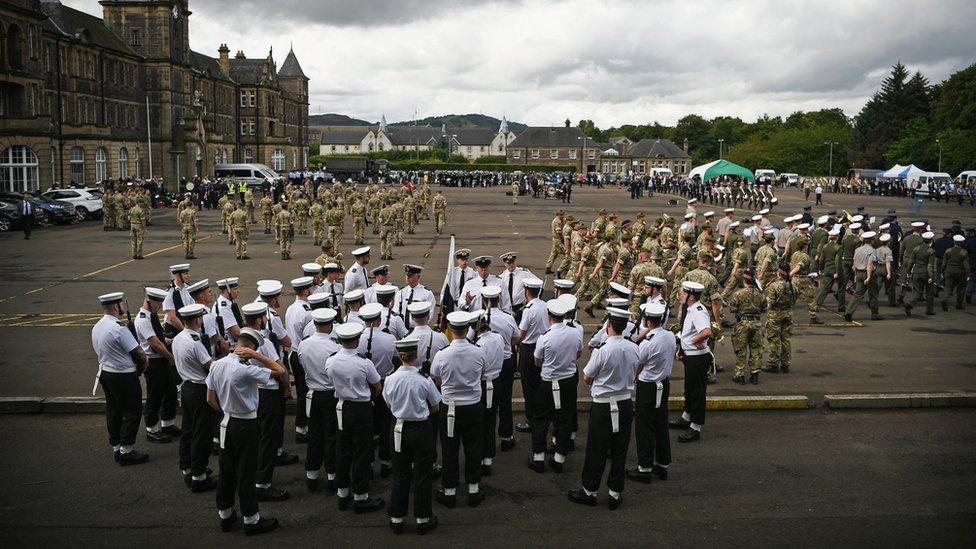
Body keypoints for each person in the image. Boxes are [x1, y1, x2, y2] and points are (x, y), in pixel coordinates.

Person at [206, 327, 285, 535]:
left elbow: (210, 399)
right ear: (250, 347)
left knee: (227, 469)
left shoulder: (217, 364)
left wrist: (227, 411)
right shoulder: (245, 368)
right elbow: (280, 371)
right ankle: (251, 519)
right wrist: (257, 356)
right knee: (246, 472)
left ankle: (225, 514)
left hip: (226, 421)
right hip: (246, 424)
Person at [567, 307, 638, 510]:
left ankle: (590, 491)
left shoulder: (603, 350)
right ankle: (615, 493)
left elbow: (587, 377)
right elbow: (636, 370)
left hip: (603, 405)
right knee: (620, 448)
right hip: (625, 402)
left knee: (597, 449)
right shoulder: (634, 347)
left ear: (608, 326)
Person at [384, 337, 442, 536]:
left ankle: (397, 519)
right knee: (422, 475)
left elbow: (389, 405)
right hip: (421, 428)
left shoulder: (390, 379)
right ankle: (423, 518)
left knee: (400, 474)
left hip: (399, 427)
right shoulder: (423, 379)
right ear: (416, 355)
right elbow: (435, 406)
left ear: (399, 357)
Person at [327, 322, 385, 513]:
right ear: (357, 340)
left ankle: (342, 493)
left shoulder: (331, 360)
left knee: (343, 450)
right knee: (361, 451)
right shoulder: (364, 362)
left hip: (342, 406)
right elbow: (377, 386)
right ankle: (361, 495)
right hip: (361, 408)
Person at [431, 311, 487, 509]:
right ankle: (473, 489)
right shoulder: (479, 351)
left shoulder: (442, 354)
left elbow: (436, 378)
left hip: (450, 408)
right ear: (467, 329)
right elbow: (483, 374)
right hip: (473, 405)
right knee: (473, 448)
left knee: (449, 449)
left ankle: (450, 491)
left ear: (450, 328)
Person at [240, 300, 293, 503]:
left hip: (255, 391)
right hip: (269, 391)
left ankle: (257, 476)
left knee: (261, 436)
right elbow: (280, 369)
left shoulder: (243, 338)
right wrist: (287, 387)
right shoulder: (264, 342)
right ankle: (263, 483)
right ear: (261, 319)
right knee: (269, 439)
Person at [92, 291, 150, 465]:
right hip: (123, 376)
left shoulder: (98, 325)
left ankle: (117, 446)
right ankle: (127, 450)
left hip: (105, 373)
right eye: (121, 304)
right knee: (132, 412)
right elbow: (140, 353)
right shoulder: (118, 328)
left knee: (114, 410)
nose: (123, 307)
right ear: (116, 307)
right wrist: (143, 367)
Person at [528, 298, 581, 474]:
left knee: (541, 420)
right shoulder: (575, 333)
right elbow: (579, 353)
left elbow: (537, 361)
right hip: (567, 380)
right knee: (565, 419)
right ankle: (559, 459)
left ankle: (539, 458)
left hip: (548, 381)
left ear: (549, 316)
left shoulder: (545, 337)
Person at [626, 302, 674, 483]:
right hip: (663, 383)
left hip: (648, 387)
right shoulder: (669, 336)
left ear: (646, 320)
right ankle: (662, 464)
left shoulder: (647, 342)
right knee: (661, 423)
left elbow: (638, 364)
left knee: (644, 426)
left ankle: (644, 467)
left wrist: (632, 378)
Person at [172, 303, 218, 491]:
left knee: (189, 430)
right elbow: (211, 366)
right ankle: (199, 475)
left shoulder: (178, 338)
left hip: (187, 387)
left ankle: (188, 468)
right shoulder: (195, 343)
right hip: (199, 389)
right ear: (197, 319)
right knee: (202, 434)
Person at [299, 308, 341, 492]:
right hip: (330, 394)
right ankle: (332, 475)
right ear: (330, 325)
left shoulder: (303, 344)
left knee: (315, 435)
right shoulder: (335, 347)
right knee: (331, 436)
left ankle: (312, 475)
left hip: (313, 394)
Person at [357, 303, 398, 476]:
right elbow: (396, 359)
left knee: (366, 427)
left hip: (364, 386)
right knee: (385, 424)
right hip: (384, 383)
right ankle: (386, 461)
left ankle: (368, 463)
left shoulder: (356, 339)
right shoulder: (390, 339)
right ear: (379, 320)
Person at [669, 281, 712, 443]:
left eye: (683, 293)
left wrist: (692, 341)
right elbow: (687, 332)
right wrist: (683, 348)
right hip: (690, 356)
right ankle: (686, 418)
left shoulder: (698, 311)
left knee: (697, 393)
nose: (681, 294)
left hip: (698, 358)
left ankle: (695, 427)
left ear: (691, 296)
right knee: (689, 390)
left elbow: (706, 331)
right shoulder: (691, 308)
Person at [134, 287, 178, 443]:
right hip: (154, 362)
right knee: (155, 396)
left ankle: (167, 424)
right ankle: (152, 430)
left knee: (170, 391)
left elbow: (161, 338)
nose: (159, 306)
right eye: (157, 303)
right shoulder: (143, 319)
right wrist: (171, 357)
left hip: (162, 360)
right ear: (148, 301)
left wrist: (170, 341)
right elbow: (155, 344)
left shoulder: (151, 316)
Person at [472, 307, 504, 475]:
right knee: (490, 422)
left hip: (483, 385)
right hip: (496, 381)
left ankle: (480, 457)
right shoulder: (498, 337)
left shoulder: (478, 345)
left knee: (480, 423)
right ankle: (488, 459)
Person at [285, 277, 315, 444]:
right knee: (306, 392)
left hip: (294, 352)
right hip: (303, 353)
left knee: (302, 391)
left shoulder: (291, 307)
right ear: (306, 291)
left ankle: (301, 425)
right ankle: (303, 426)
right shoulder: (307, 311)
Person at [515, 278, 546, 433]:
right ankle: (542, 416)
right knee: (540, 384)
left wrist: (515, 342)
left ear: (526, 291)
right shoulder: (545, 306)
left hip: (529, 349)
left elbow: (521, 334)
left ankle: (531, 419)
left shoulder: (529, 309)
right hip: (544, 347)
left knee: (529, 387)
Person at [763, 263, 796, 374]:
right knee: (786, 339)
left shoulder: (774, 286)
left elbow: (769, 302)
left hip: (775, 315)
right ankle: (785, 364)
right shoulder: (792, 285)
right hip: (788, 313)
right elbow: (794, 299)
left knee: (774, 339)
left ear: (779, 272)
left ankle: (773, 363)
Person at [845, 231, 881, 321]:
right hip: (868, 273)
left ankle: (848, 312)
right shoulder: (872, 250)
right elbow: (870, 264)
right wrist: (869, 277)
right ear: (872, 241)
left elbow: (854, 264)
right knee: (873, 294)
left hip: (859, 273)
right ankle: (874, 314)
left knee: (857, 294)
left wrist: (856, 275)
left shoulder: (858, 250)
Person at [394, 265, 435, 332]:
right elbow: (395, 312)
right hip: (402, 330)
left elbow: (429, 314)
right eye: (406, 275)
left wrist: (419, 329)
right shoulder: (401, 292)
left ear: (418, 276)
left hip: (419, 330)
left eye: (410, 276)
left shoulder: (427, 293)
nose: (407, 277)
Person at [905, 232, 937, 316]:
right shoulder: (931, 251)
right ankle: (929, 310)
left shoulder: (916, 249)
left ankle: (910, 304)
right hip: (925, 273)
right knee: (929, 293)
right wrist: (930, 276)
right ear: (931, 241)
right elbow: (930, 265)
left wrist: (908, 272)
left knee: (918, 293)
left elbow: (911, 261)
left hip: (916, 272)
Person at [942, 235, 970, 311]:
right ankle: (959, 305)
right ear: (962, 243)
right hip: (960, 273)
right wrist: (968, 274)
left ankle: (945, 299)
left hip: (949, 271)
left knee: (948, 288)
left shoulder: (948, 250)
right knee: (961, 289)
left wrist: (943, 272)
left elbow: (944, 263)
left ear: (954, 242)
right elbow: (966, 265)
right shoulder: (964, 252)